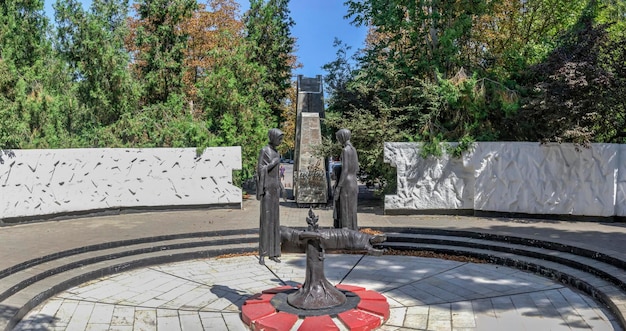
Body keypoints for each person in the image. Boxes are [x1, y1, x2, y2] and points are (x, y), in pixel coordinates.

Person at [256, 128, 284, 265]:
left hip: (275, 189)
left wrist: (281, 185)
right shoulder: (264, 150)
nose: (281, 141)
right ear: (272, 137)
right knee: (266, 221)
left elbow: (277, 173)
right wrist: (272, 164)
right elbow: (259, 169)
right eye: (279, 138)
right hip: (267, 188)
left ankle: (274, 252)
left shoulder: (277, 152)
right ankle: (263, 253)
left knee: (275, 221)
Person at [334, 128, 359, 230]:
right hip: (353, 181)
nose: (338, 140)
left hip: (346, 183)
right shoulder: (353, 150)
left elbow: (345, 170)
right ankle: (353, 230)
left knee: (345, 208)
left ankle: (346, 232)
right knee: (352, 209)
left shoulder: (345, 150)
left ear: (343, 137)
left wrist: (338, 187)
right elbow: (357, 168)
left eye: (338, 138)